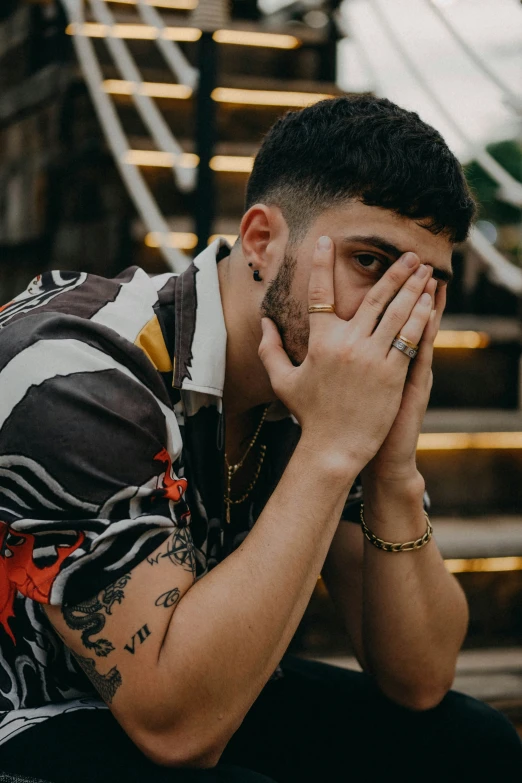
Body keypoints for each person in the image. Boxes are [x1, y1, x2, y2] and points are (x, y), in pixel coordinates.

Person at [0, 96, 520, 783]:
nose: (396, 313)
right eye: (370, 261)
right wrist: (333, 447)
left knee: (471, 746)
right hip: (30, 712)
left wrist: (390, 465)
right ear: (260, 241)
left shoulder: (318, 376)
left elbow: (419, 677)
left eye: (425, 286)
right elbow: (178, 727)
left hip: (200, 679)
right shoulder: (75, 369)